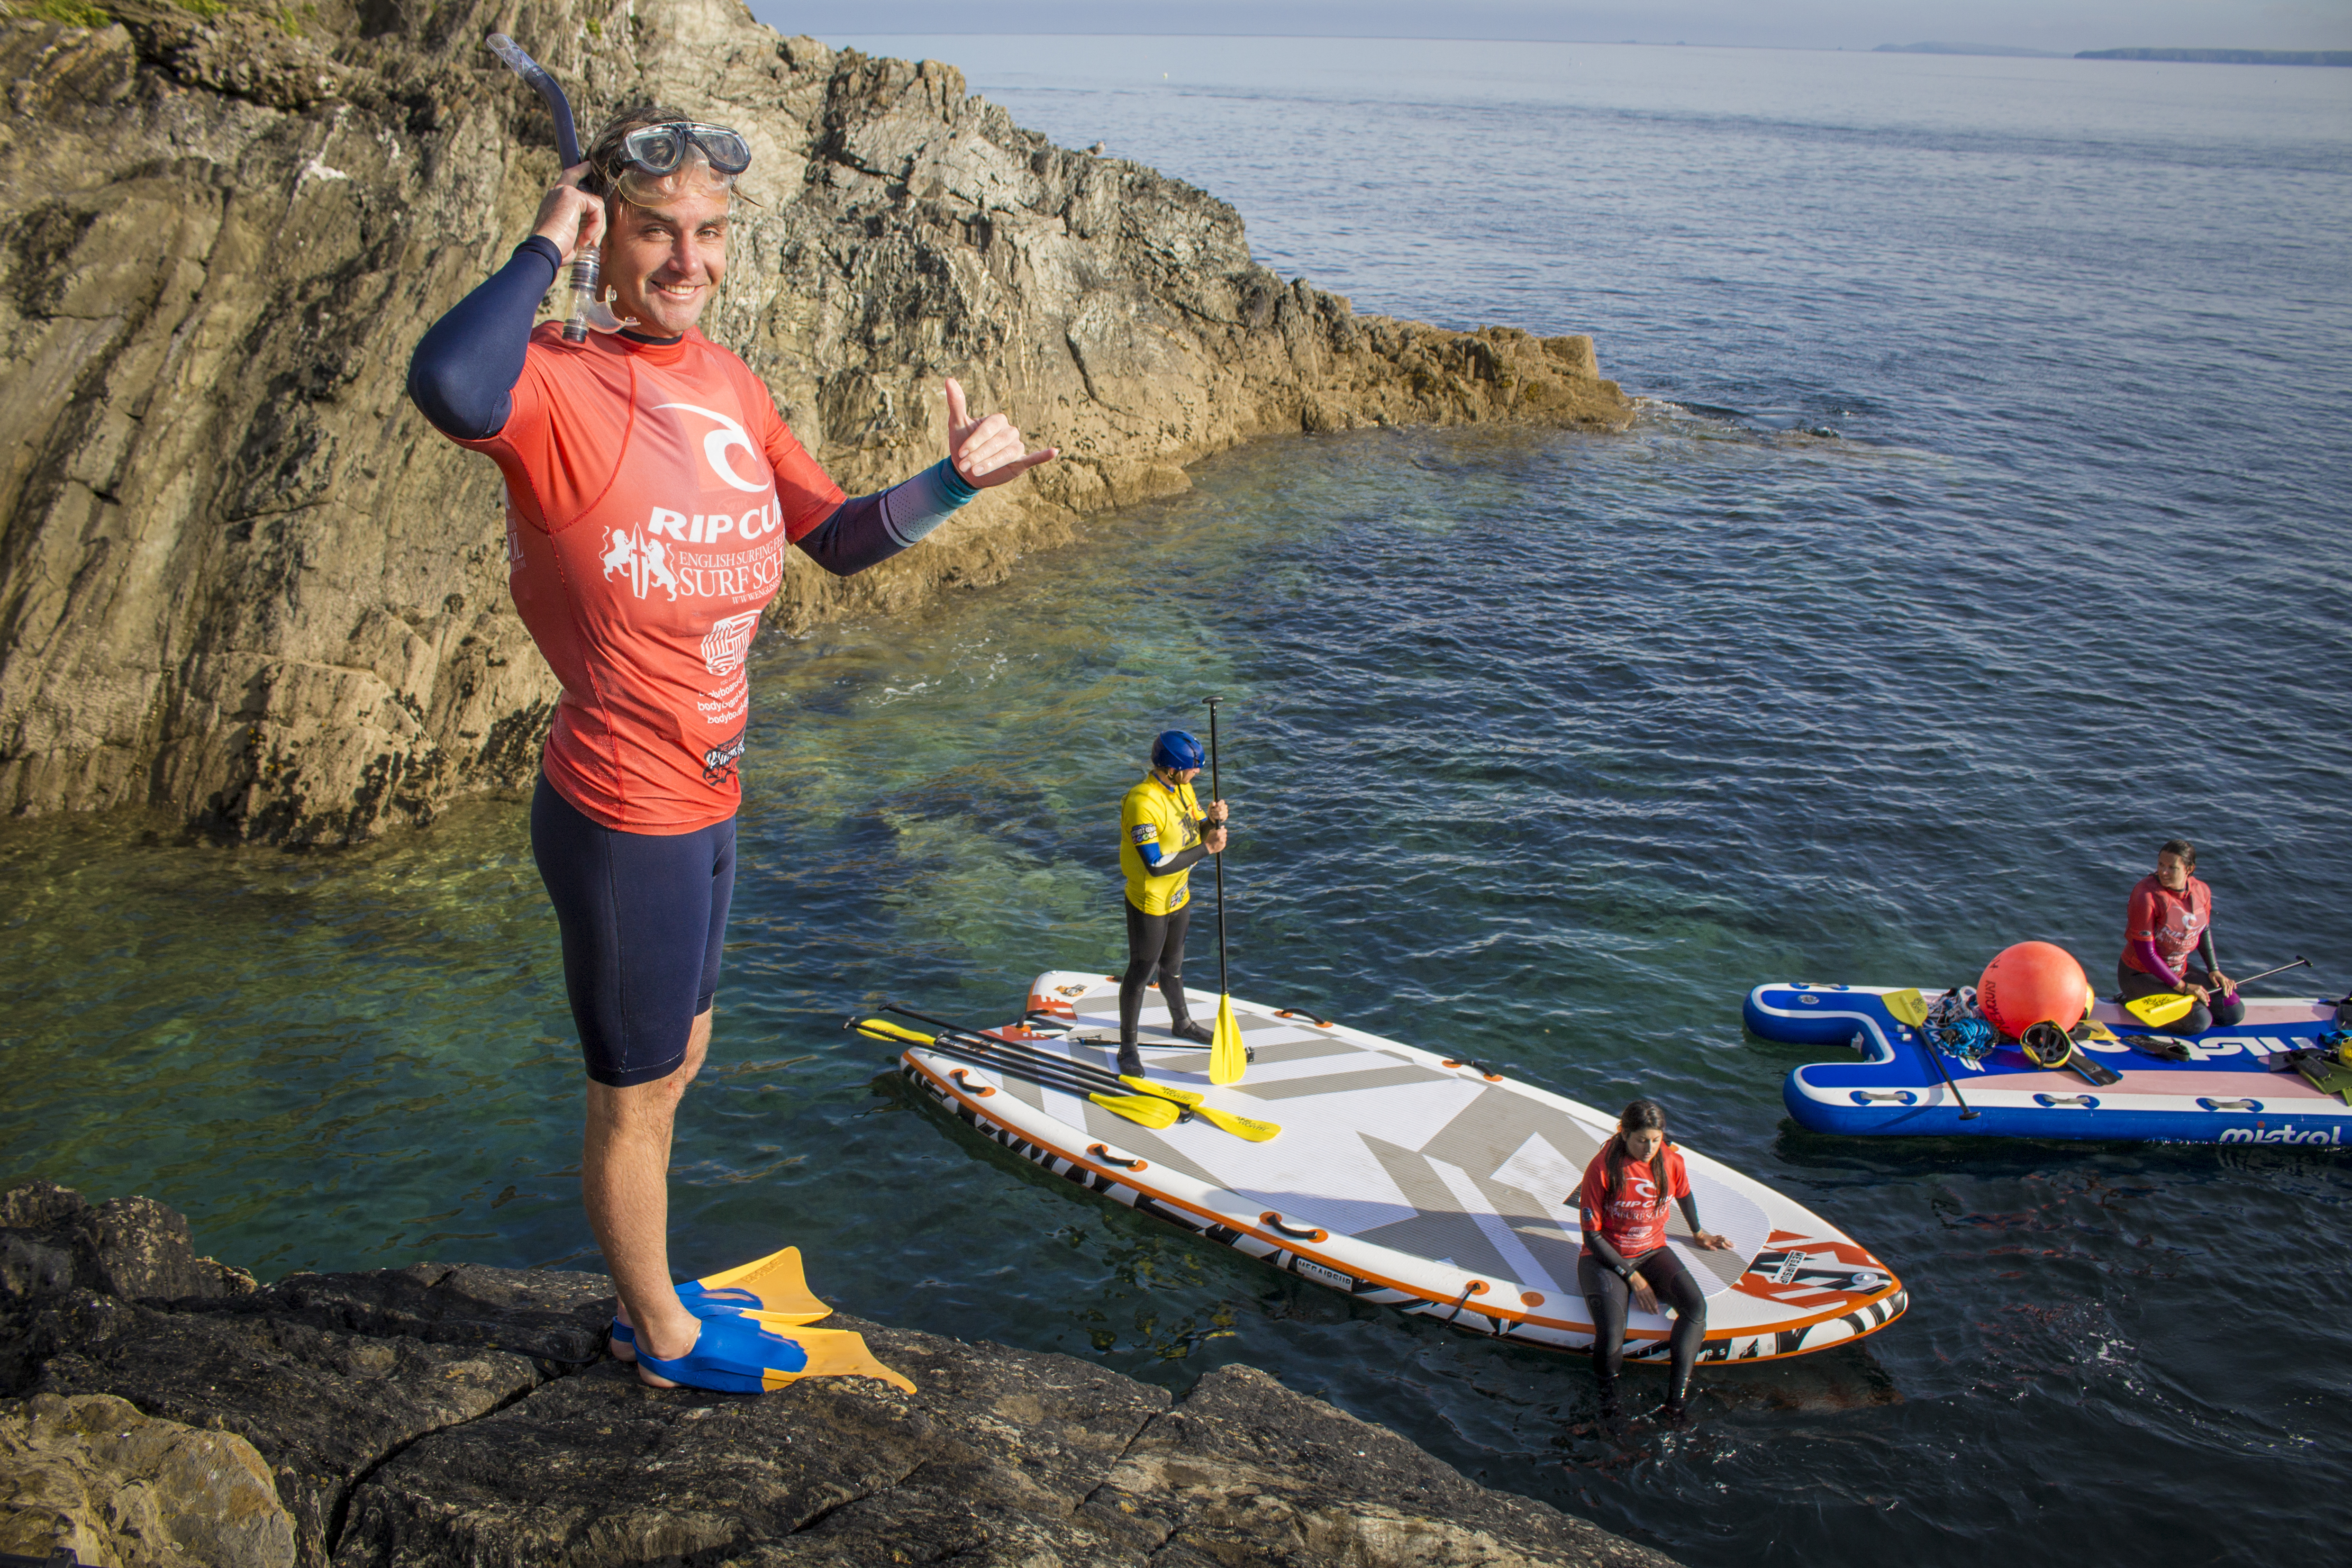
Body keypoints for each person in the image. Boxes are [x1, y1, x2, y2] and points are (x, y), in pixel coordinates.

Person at [406, 108, 1055, 1392]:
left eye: (708, 233)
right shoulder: (556, 383)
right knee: (634, 1090)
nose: (688, 259)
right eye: (656, 231)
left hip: (709, 798)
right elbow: (450, 385)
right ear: (607, 237)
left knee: (681, 1058)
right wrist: (547, 239)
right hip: (619, 810)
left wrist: (953, 483)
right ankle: (658, 1334)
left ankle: (651, 1284)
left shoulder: (727, 382)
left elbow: (837, 536)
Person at [1575, 1099, 1732, 1428]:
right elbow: (1592, 1237)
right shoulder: (1601, 1169)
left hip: (1651, 1251)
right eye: (1641, 1140)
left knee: (1695, 1308)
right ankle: (1609, 1408)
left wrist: (1698, 1232)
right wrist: (1632, 1277)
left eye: (1656, 1140)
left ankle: (1675, 1404)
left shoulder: (1671, 1161)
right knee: (1612, 1334)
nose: (1649, 1149)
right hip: (1605, 1258)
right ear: (1624, 1134)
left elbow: (1684, 1194)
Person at [1114, 730, 1229, 1079]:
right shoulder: (1142, 803)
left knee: (1173, 965)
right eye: (1193, 767)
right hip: (1150, 900)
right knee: (1141, 971)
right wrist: (1208, 849)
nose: (1198, 772)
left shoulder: (1183, 788)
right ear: (1171, 769)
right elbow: (1155, 864)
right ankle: (1128, 1046)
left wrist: (1214, 820)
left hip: (1179, 895)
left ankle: (1182, 1023)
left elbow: (1197, 830)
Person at [2117, 839, 2243, 1033]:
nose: (2163, 872)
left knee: (2232, 1011)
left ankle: (2175, 995)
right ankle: (2130, 998)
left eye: (2172, 868)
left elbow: (2204, 930)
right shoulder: (2146, 896)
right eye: (2161, 865)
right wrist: (2183, 987)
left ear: (2189, 869)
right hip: (2140, 975)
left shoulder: (2201, 891)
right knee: (2199, 1021)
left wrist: (2214, 970)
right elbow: (2146, 954)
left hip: (2179, 970)